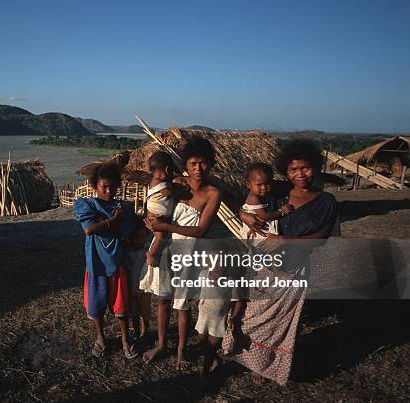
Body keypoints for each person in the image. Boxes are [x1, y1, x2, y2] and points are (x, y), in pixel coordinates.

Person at [223, 139, 340, 385]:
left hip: (294, 268)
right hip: (262, 266)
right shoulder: (278, 190)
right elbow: (244, 198)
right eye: (293, 169)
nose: (300, 174)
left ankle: (269, 365)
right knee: (254, 315)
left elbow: (321, 238)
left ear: (316, 167)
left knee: (282, 322)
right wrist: (244, 214)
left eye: (305, 168)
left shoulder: (326, 201)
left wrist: (285, 240)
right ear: (286, 171)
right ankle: (250, 357)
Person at [142, 137, 222, 370]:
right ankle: (161, 344)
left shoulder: (212, 193)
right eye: (193, 163)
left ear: (211, 164)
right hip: (167, 251)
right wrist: (151, 220)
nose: (198, 169)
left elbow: (200, 230)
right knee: (164, 300)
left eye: (203, 163)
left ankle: (181, 350)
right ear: (185, 164)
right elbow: (158, 208)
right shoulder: (176, 184)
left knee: (183, 304)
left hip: (189, 253)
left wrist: (164, 227)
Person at [74, 163, 138, 359]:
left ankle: (125, 340)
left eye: (113, 187)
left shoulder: (124, 208)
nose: (109, 191)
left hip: (117, 263)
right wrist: (114, 220)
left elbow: (125, 232)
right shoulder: (86, 205)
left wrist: (106, 223)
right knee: (96, 305)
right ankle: (101, 338)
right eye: (104, 187)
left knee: (121, 307)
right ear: (95, 186)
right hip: (95, 264)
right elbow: (89, 229)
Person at [240, 162, 294, 247]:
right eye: (259, 185)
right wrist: (282, 211)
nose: (264, 188)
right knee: (268, 249)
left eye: (267, 184)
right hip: (258, 231)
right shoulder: (254, 198)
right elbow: (264, 216)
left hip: (264, 230)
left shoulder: (280, 188)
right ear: (248, 185)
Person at [145, 151, 177, 267]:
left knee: (159, 237)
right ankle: (151, 254)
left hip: (156, 215)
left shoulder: (157, 181)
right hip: (156, 216)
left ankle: (155, 254)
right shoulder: (159, 183)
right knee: (159, 238)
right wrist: (178, 188)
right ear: (168, 170)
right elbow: (168, 194)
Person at [124, 220, 151, 347]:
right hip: (131, 288)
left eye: (144, 236)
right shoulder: (127, 252)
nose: (141, 239)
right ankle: (136, 331)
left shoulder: (148, 251)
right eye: (138, 236)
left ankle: (145, 332)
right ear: (131, 238)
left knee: (145, 312)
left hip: (145, 289)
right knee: (133, 312)